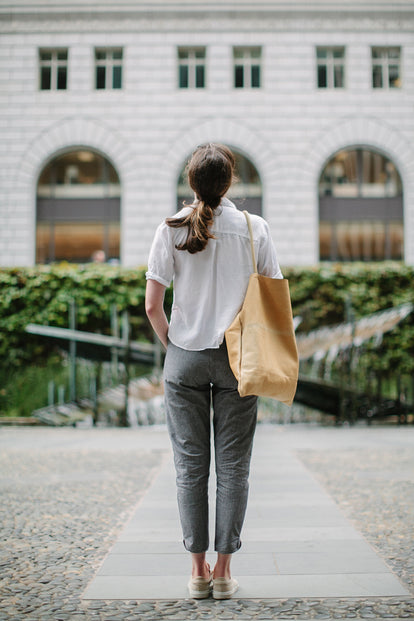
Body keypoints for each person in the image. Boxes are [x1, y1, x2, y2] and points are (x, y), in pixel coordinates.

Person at [145, 143, 282, 599]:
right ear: (230, 182)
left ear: (191, 182)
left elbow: (152, 305)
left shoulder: (170, 228)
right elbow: (273, 296)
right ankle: (224, 572)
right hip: (237, 358)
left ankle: (196, 572)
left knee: (190, 467)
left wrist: (175, 346)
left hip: (184, 354)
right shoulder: (254, 227)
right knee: (233, 467)